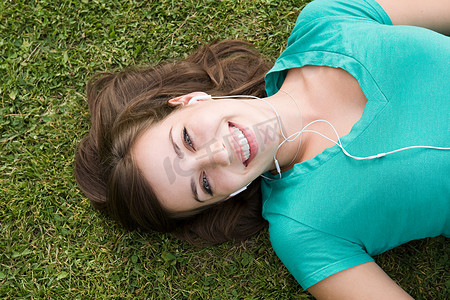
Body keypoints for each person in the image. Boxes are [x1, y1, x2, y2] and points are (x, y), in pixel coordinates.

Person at [75, 0, 450, 298]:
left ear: (189, 100)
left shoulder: (327, 20)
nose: (218, 154)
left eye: (187, 139)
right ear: (224, 198)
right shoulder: (304, 229)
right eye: (204, 184)